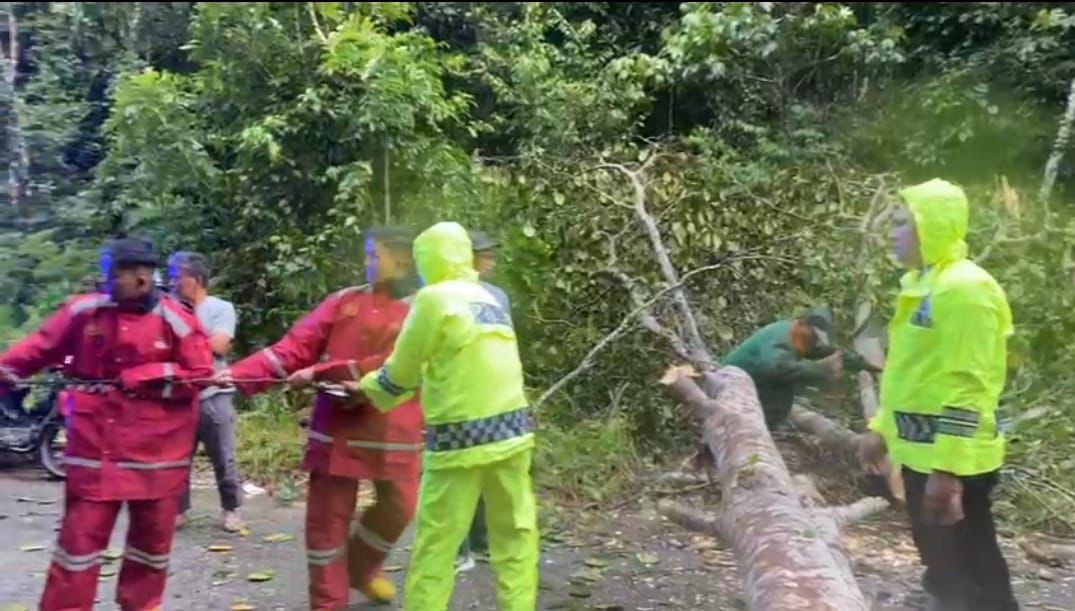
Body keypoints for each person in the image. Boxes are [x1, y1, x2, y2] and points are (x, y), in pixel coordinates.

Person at [0, 237, 213, 611]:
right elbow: (37, 348)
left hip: (158, 461)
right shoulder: (84, 311)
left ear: (143, 278)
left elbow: (199, 374)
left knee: (150, 552)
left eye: (114, 275)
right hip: (96, 453)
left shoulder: (177, 322)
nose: (106, 282)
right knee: (77, 548)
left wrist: (150, 373)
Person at [216, 226, 423, 609]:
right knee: (327, 526)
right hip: (338, 430)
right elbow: (296, 347)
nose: (367, 263)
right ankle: (327, 603)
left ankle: (361, 569)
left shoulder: (424, 309)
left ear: (403, 258)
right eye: (366, 254)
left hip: (394, 429)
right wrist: (240, 374)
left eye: (375, 256)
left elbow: (399, 364)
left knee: (400, 507)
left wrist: (323, 373)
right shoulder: (344, 301)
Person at [357, 221, 539, 611]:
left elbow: (401, 372)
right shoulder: (489, 297)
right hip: (514, 433)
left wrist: (370, 388)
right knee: (516, 538)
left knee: (437, 545)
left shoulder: (432, 299)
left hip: (460, 442)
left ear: (428, 260)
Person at [859, 178, 1017, 611]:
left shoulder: (965, 290)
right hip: (921, 452)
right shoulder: (921, 285)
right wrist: (880, 428)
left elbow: (972, 382)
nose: (890, 233)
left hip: (954, 457)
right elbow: (912, 374)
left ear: (931, 226)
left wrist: (948, 471)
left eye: (899, 223)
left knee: (971, 570)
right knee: (945, 564)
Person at [168, 251, 245, 532]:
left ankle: (232, 509)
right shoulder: (169, 309)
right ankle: (178, 511)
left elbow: (220, 346)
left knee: (223, 455)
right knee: (177, 457)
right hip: (181, 397)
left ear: (197, 279)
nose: (173, 283)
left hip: (215, 393)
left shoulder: (220, 308)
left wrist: (184, 345)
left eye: (179, 277)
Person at [455, 230, 511, 573]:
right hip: (460, 396)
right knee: (460, 474)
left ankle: (482, 543)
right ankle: (458, 549)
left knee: (489, 474)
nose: (490, 259)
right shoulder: (444, 296)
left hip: (495, 395)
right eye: (484, 253)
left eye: (492, 253)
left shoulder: (498, 296)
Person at [721, 306, 845, 429]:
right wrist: (821, 369)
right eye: (813, 334)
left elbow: (826, 351)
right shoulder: (782, 336)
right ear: (802, 324)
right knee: (784, 384)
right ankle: (767, 426)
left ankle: (769, 424)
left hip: (750, 382)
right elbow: (776, 369)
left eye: (816, 338)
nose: (814, 340)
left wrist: (858, 362)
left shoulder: (802, 339)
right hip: (731, 383)